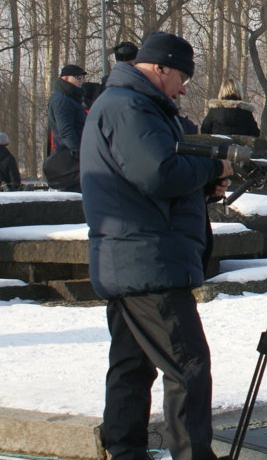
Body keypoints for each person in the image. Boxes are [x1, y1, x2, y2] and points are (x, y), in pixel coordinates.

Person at [80, 32, 232, 460]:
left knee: (132, 367)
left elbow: (140, 183)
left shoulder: (127, 104)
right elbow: (159, 173)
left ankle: (125, 451)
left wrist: (202, 187)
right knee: (188, 368)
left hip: (130, 257)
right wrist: (212, 167)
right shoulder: (130, 105)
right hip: (149, 260)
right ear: (160, 67)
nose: (184, 88)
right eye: (182, 76)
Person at [44, 63, 88, 191]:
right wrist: (77, 153)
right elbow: (66, 129)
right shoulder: (62, 100)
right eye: (77, 77)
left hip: (73, 153)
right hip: (69, 156)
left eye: (82, 78)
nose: (81, 80)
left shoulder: (70, 98)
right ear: (65, 78)